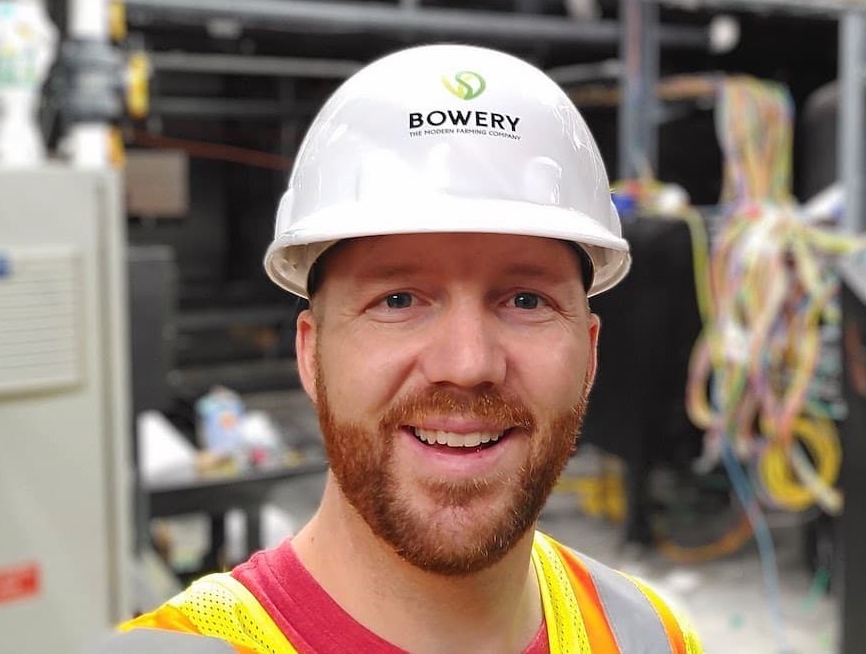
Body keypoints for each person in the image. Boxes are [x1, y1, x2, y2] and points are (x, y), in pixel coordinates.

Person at [109, 44, 702, 654]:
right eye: (397, 300)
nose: (467, 364)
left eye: (526, 301)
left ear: (591, 355)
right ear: (310, 354)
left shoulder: (650, 634)